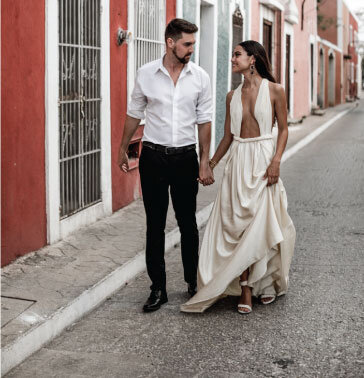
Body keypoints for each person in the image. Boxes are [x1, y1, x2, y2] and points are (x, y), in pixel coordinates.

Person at [181, 40, 296, 314]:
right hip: (239, 162)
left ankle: (261, 284)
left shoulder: (276, 90)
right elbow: (228, 137)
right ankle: (245, 284)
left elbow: (283, 130)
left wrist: (276, 161)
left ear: (253, 59)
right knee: (237, 225)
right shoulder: (231, 96)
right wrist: (209, 164)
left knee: (262, 222)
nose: (232, 59)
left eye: (237, 54)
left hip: (263, 159)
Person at [118, 18, 214, 313]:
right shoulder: (146, 74)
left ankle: (192, 282)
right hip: (154, 158)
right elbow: (134, 113)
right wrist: (122, 148)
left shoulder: (200, 77)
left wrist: (204, 162)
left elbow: (205, 122)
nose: (191, 49)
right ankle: (158, 288)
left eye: (193, 44)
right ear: (170, 42)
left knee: (188, 224)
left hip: (185, 157)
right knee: (155, 225)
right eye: (187, 44)